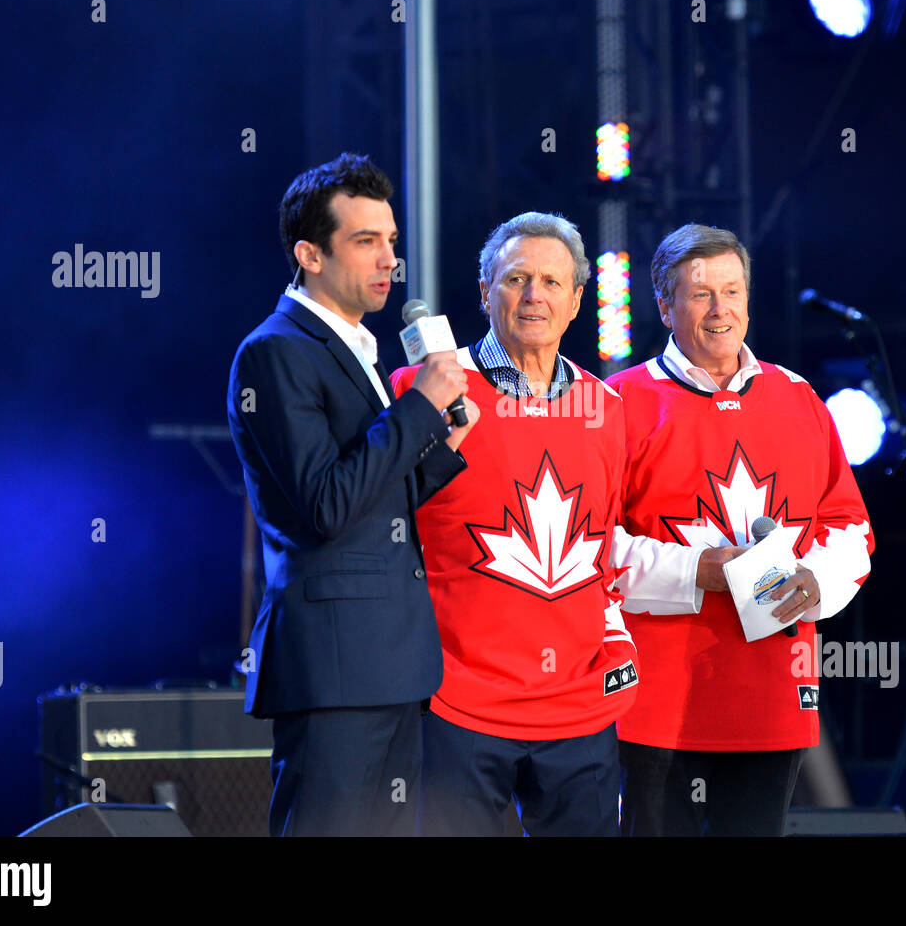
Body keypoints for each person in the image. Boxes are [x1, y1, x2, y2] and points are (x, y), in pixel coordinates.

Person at [226, 153, 480, 836]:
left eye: (392, 240)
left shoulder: (356, 349)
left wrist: (438, 454)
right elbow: (326, 506)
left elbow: (371, 505)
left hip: (392, 663)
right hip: (334, 669)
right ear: (309, 254)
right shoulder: (275, 352)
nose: (388, 258)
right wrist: (421, 407)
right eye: (365, 241)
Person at [606, 223, 874, 836]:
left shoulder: (800, 398)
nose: (720, 309)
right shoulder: (619, 402)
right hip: (655, 703)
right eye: (700, 294)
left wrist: (818, 580)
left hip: (774, 694)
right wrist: (694, 572)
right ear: (664, 304)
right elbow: (590, 545)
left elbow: (850, 525)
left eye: (732, 291)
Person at [390, 212, 637, 836]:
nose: (534, 297)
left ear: (578, 299)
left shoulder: (608, 410)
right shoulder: (420, 389)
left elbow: (608, 552)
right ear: (483, 291)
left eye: (552, 283)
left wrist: (616, 654)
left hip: (579, 712)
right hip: (455, 705)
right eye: (516, 279)